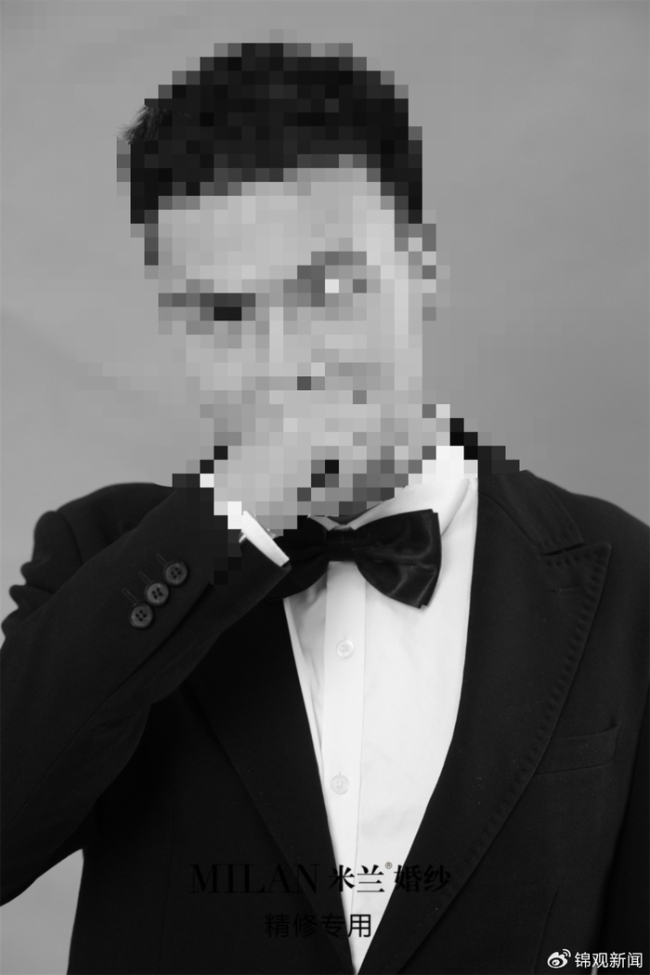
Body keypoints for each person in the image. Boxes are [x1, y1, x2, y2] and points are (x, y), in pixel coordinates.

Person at [1, 40, 647, 975]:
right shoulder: (100, 556)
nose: (284, 362)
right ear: (172, 322)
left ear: (423, 268)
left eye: (331, 289)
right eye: (224, 313)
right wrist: (223, 518)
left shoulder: (625, 576)